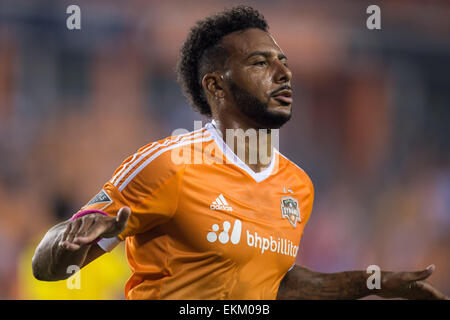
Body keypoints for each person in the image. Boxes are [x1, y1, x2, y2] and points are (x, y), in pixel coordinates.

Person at [32, 5, 448, 300]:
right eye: (259, 63)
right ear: (215, 86)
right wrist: (69, 243)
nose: (283, 73)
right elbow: (46, 267)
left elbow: (275, 285)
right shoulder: (167, 165)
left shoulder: (298, 186)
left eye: (283, 62)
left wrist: (368, 285)